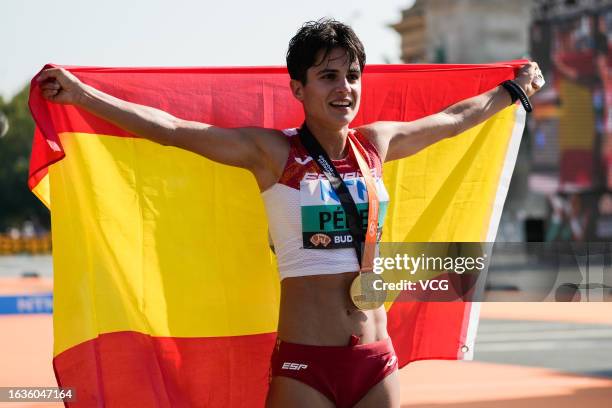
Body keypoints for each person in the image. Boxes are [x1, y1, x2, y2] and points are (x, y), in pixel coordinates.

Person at [37, 18, 543, 408]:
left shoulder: (376, 145)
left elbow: (452, 120)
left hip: (377, 359)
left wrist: (512, 90)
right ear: (298, 88)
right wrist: (82, 95)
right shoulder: (272, 153)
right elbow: (172, 129)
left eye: (351, 75)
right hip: (306, 366)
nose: (344, 88)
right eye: (328, 76)